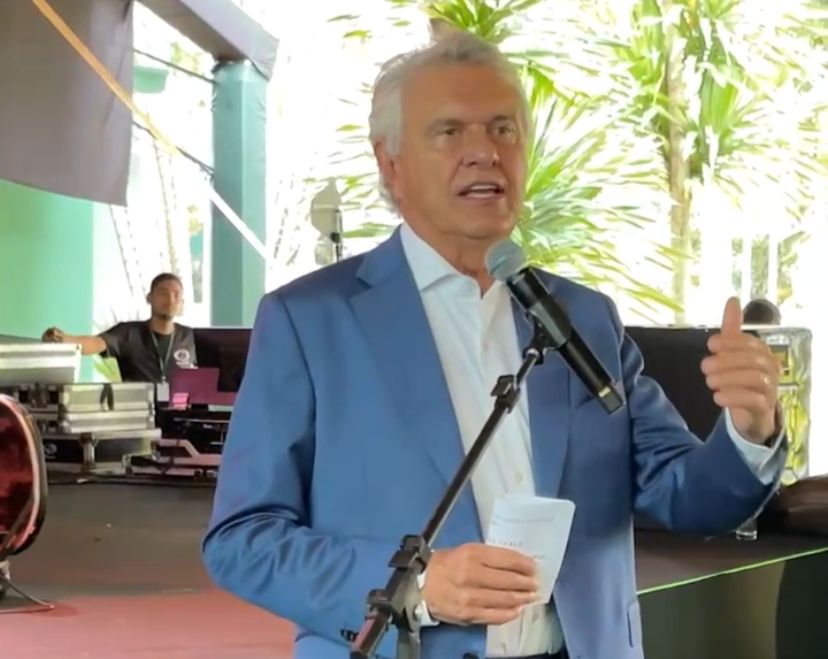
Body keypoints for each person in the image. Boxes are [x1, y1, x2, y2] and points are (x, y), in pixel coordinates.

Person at [202, 33, 785, 659]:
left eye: (503, 129)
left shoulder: (585, 318)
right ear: (390, 164)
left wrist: (748, 430)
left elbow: (686, 494)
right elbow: (243, 539)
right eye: (449, 132)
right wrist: (417, 586)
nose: (484, 152)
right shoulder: (310, 322)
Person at [42, 273, 196, 384]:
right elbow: (96, 343)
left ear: (182, 302)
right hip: (138, 413)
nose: (170, 300)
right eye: (163, 293)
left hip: (182, 415)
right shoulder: (129, 333)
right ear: (149, 298)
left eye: (176, 295)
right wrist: (65, 339)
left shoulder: (191, 337)